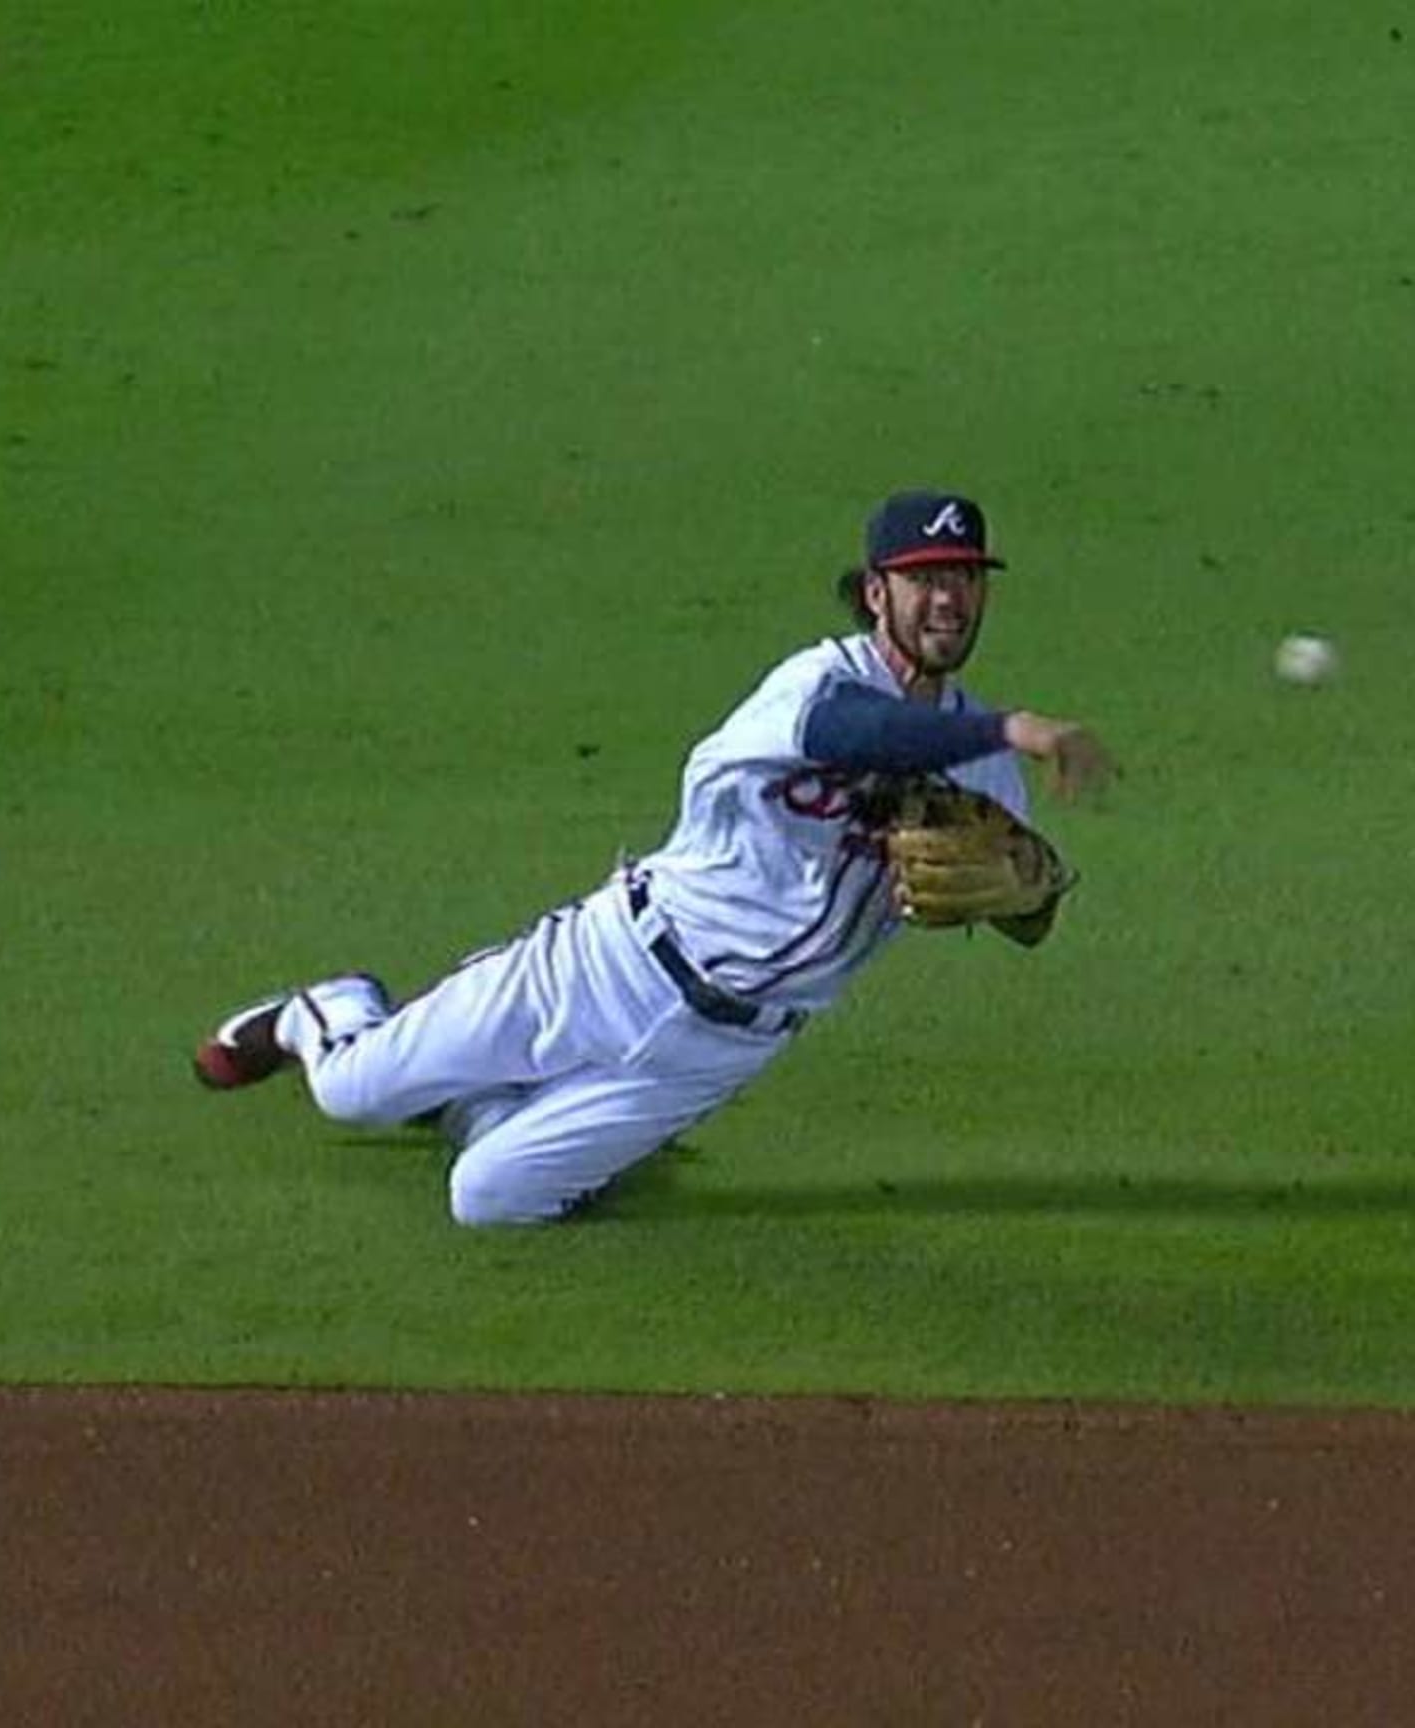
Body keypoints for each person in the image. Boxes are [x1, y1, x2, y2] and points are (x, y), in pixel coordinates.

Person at [190, 489, 1115, 1225]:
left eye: (963, 575)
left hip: (716, 1050)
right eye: (923, 578)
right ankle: (330, 1007)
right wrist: (1013, 724)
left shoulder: (982, 764)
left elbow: (1029, 922)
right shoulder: (819, 683)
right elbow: (851, 730)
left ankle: (483, 1093)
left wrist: (1028, 895)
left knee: (491, 1200)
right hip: (607, 963)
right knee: (354, 1092)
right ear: (877, 593)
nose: (947, 597)